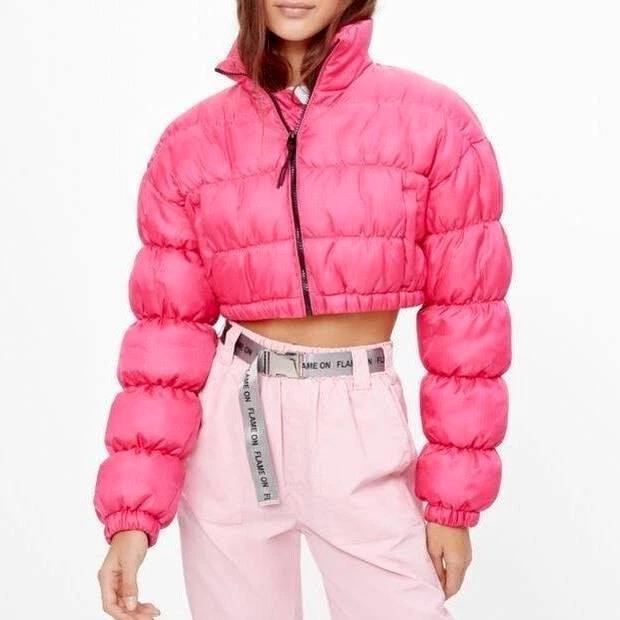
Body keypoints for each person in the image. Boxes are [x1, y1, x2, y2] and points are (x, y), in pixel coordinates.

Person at [94, 1, 512, 618]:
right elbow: (164, 339)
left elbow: (469, 323)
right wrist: (132, 516)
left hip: (357, 418)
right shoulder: (191, 144)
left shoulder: (434, 123)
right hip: (231, 422)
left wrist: (453, 504)